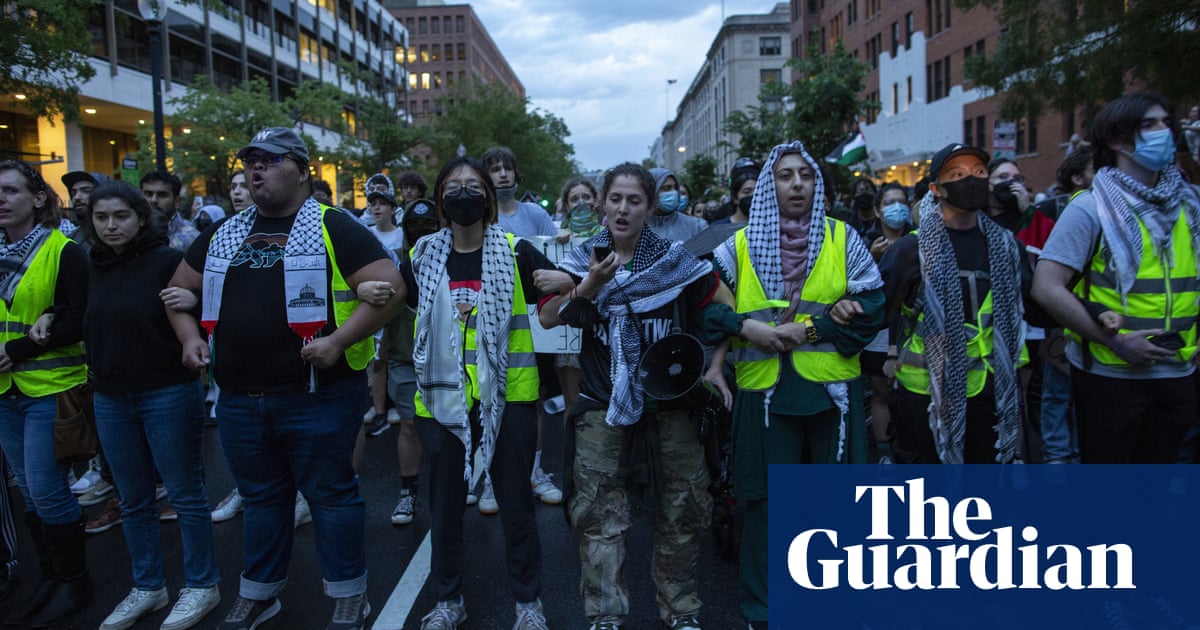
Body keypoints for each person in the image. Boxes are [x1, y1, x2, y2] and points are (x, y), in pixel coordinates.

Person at [165, 127, 404, 630]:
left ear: (301, 169)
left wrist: (338, 341)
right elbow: (177, 289)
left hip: (318, 396)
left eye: (270, 161)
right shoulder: (226, 231)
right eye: (250, 161)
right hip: (238, 399)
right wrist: (189, 337)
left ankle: (349, 596)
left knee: (333, 497)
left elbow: (390, 287)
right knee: (262, 500)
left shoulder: (333, 226)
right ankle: (260, 592)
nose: (256, 169)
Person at [540, 162, 736, 630]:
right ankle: (606, 614)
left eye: (634, 200)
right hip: (601, 405)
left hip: (673, 407)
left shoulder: (677, 262)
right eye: (616, 199)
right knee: (600, 515)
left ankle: (681, 609)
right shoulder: (581, 259)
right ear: (602, 202)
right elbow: (549, 317)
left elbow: (725, 309)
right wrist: (592, 284)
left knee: (684, 507)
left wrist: (715, 367)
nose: (623, 208)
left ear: (649, 207)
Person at [707, 142, 884, 629]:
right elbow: (704, 305)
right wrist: (749, 329)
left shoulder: (843, 238)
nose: (797, 184)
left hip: (831, 398)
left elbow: (872, 310)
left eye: (805, 175)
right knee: (764, 507)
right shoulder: (736, 246)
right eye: (785, 176)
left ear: (817, 184)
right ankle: (763, 610)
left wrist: (811, 329)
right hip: (764, 394)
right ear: (770, 186)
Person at [400, 156, 551, 630]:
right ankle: (449, 601)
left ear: (488, 198)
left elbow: (552, 305)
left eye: (473, 186)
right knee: (444, 509)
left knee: (516, 507)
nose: (463, 194)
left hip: (510, 400)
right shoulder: (422, 256)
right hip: (441, 404)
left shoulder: (519, 251)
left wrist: (576, 284)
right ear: (441, 200)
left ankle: (528, 604)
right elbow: (402, 309)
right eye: (453, 187)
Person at [72, 181, 220, 630]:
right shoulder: (88, 264)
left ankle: (201, 586)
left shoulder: (166, 261)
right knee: (133, 499)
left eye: (120, 216)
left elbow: (203, 306)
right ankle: (148, 586)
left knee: (185, 494)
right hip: (110, 397)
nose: (111, 225)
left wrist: (193, 302)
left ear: (140, 217)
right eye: (101, 218)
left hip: (167, 392)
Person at [1032, 93, 1200, 462]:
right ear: (1116, 140)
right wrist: (1118, 343)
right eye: (1148, 125)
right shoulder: (1090, 209)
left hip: (1179, 372)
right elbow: (1046, 287)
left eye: (1165, 123)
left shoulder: (1191, 204)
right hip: (1111, 376)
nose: (1163, 132)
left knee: (1155, 489)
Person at [880, 142, 1027, 464]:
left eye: (978, 172)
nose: (970, 181)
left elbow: (1035, 307)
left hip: (989, 393)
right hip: (924, 396)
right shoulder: (909, 251)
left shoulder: (1006, 247)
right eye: (957, 174)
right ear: (937, 188)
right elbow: (878, 313)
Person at [0, 159, 91, 627]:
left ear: (38, 199)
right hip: (4, 393)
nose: (1, 199)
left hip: (50, 389)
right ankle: (52, 579)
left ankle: (75, 583)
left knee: (45, 489)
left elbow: (80, 317)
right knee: (30, 496)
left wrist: (18, 348)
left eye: (11, 191)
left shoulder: (64, 251)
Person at [481, 146, 563, 510]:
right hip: (493, 322)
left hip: (536, 326)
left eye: (507, 168)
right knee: (489, 401)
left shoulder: (535, 213)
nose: (502, 175)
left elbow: (558, 260)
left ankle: (534, 472)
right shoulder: (480, 216)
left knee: (535, 400)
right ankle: (489, 479)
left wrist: (562, 242)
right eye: (495, 169)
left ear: (516, 174)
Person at [551, 177, 602, 417]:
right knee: (572, 401)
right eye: (574, 199)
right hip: (569, 333)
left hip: (602, 330)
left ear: (596, 202)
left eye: (586, 197)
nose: (581, 203)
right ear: (566, 207)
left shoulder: (610, 235)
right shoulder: (557, 238)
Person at [142, 171, 200, 252]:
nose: (153, 200)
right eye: (148, 194)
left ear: (177, 201)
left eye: (162, 195)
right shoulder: (130, 233)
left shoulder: (191, 237)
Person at [646, 167, 706, 242]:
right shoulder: (638, 225)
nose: (674, 193)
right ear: (652, 191)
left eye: (675, 188)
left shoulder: (691, 225)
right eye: (667, 188)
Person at [60, 170, 110, 241]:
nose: (77, 197)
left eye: (86, 191)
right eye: (73, 193)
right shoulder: (72, 239)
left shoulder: (121, 232)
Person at [713, 158, 759, 226]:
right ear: (735, 198)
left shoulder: (770, 225)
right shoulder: (718, 226)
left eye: (757, 192)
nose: (753, 196)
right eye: (747, 191)